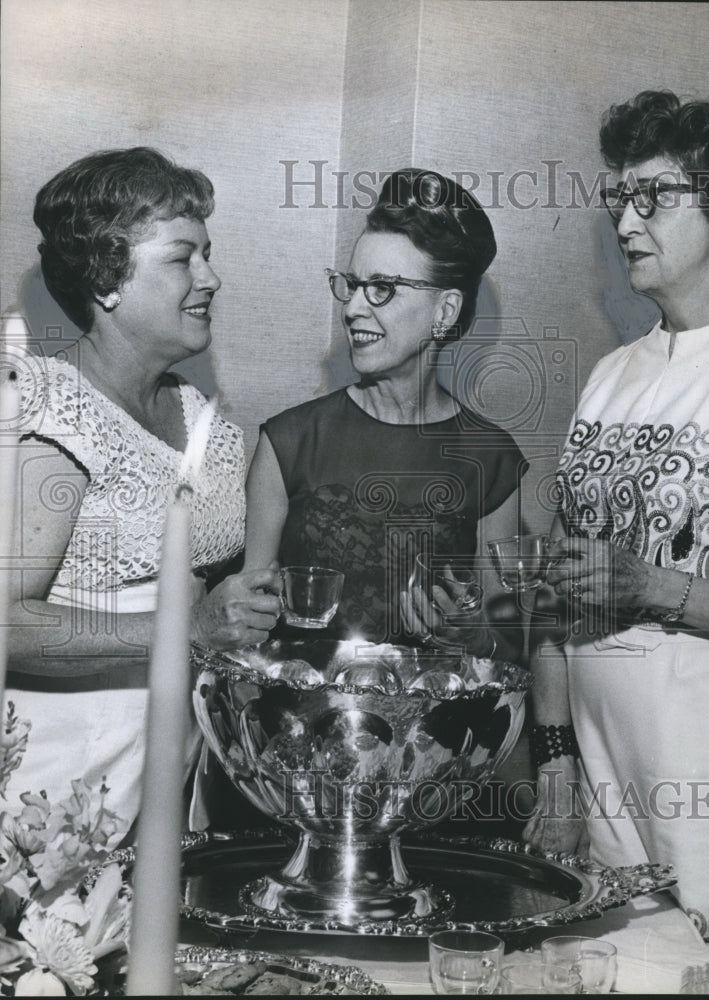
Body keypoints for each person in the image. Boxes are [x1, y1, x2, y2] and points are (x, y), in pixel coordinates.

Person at [527, 91, 709, 992]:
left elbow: (631, 582)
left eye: (655, 197)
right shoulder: (609, 375)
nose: (627, 221)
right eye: (618, 199)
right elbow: (560, 597)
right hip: (602, 804)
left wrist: (653, 588)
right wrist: (552, 760)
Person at [5, 148, 282, 840]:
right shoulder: (52, 408)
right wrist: (180, 633)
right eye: (182, 258)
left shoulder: (206, 424)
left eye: (208, 255)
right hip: (55, 779)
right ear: (106, 281)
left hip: (170, 764)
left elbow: (206, 603)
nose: (211, 278)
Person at [246, 169, 526, 660]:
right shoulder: (290, 442)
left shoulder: (492, 458)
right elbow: (243, 627)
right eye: (352, 285)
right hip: (296, 721)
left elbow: (507, 644)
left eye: (382, 289)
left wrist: (469, 634)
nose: (353, 308)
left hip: (432, 730)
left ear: (445, 311)